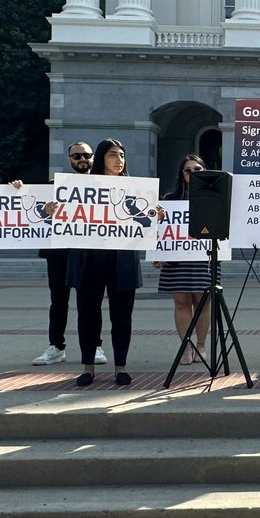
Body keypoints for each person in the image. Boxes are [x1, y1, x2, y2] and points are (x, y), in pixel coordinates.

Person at [65, 139, 162, 388]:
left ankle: (121, 367)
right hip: (89, 259)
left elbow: (146, 221)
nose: (119, 160)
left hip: (122, 260)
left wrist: (156, 213)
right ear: (100, 158)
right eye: (112, 155)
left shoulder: (136, 189)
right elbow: (61, 209)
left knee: (122, 317)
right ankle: (88, 367)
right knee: (87, 316)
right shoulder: (82, 186)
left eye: (122, 155)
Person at [15, 142, 107, 368]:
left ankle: (94, 345)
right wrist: (17, 189)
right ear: (69, 159)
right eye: (77, 155)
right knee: (58, 301)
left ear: (93, 158)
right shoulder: (51, 187)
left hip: (89, 252)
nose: (82, 159)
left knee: (91, 302)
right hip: (59, 252)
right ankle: (56, 346)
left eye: (86, 155)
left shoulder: (103, 185)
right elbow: (30, 205)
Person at [154, 154, 211, 365]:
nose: (193, 173)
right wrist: (158, 252)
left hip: (203, 257)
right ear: (182, 174)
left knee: (202, 302)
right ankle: (186, 346)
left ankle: (202, 345)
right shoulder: (169, 200)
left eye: (198, 169)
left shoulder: (214, 197)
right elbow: (159, 230)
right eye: (188, 170)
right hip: (176, 259)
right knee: (181, 302)